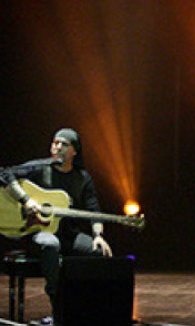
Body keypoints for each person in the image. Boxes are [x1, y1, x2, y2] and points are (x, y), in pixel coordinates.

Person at [0, 128, 113, 312]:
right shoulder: (39, 168)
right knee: (51, 244)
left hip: (68, 234)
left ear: (74, 151)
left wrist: (98, 235)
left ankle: (93, 307)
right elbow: (5, 173)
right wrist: (26, 200)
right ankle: (57, 302)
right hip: (38, 232)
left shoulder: (82, 179)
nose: (58, 147)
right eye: (55, 143)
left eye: (64, 144)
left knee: (99, 252)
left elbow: (94, 211)